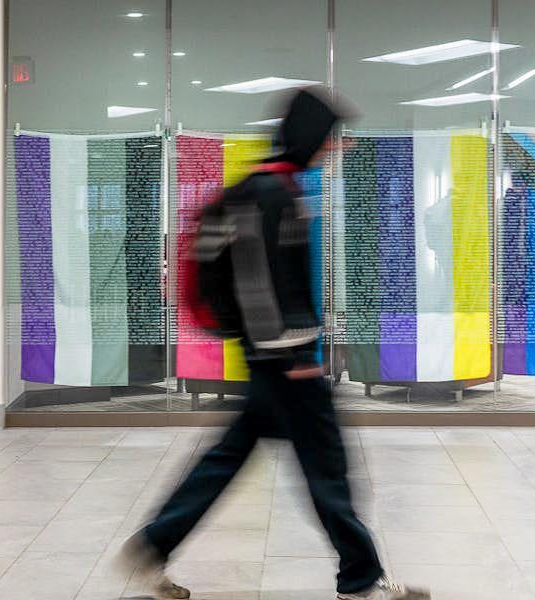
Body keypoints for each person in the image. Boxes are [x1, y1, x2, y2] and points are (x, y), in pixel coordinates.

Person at [118, 87, 430, 600]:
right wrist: (291, 357)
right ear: (308, 137)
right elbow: (259, 283)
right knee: (327, 467)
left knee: (227, 458)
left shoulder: (264, 186)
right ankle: (360, 581)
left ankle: (154, 543)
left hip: (268, 359)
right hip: (285, 364)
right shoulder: (273, 194)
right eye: (329, 139)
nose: (334, 149)